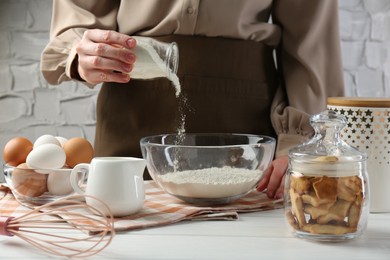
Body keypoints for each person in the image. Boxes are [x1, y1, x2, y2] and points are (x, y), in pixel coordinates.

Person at [40, 0, 345, 199]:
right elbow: (78, 15)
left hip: (247, 128)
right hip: (130, 113)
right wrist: (84, 52)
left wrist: (304, 145)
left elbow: (311, 41)